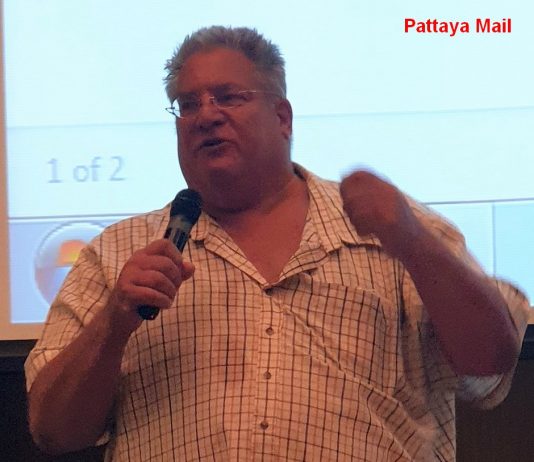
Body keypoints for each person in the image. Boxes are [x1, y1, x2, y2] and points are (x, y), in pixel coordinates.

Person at [25, 26, 529, 461]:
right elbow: (52, 430)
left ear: (283, 117)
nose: (205, 115)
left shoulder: (394, 230)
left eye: (228, 97)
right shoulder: (118, 253)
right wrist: (114, 323)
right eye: (188, 104)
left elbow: (490, 363)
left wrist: (413, 241)